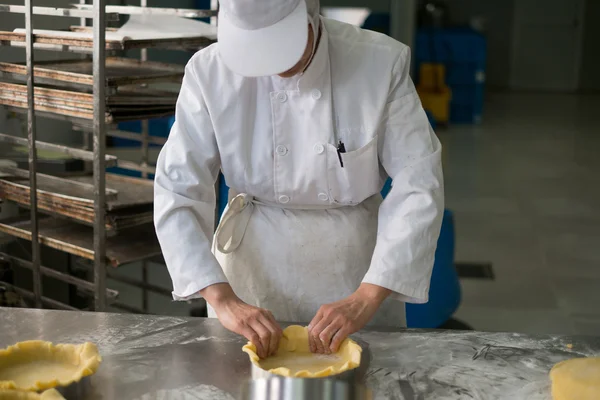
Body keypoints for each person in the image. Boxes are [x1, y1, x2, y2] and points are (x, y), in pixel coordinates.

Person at [154, 0, 444, 359]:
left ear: (310, 12)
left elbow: (419, 184)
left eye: (284, 47)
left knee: (363, 385)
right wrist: (221, 298)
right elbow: (177, 189)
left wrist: (368, 295)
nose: (276, 65)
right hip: (251, 272)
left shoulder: (379, 63)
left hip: (354, 271)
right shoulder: (208, 72)